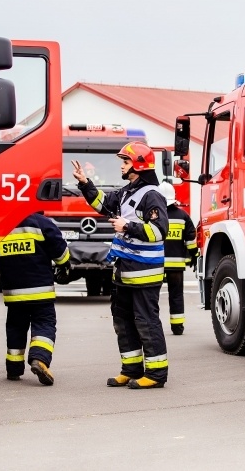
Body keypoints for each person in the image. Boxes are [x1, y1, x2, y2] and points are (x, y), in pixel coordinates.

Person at [71, 141, 169, 389]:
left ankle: (156, 374)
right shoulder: (127, 192)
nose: (122, 166)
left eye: (125, 162)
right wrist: (85, 183)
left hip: (144, 274)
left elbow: (159, 231)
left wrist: (127, 226)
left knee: (146, 322)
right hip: (124, 272)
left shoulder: (152, 195)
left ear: (137, 165)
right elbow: (102, 203)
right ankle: (131, 369)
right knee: (123, 322)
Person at [0, 211, 71, 385]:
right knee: (44, 323)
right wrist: (64, 265)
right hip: (40, 291)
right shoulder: (42, 223)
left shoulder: (1, 223)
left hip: (13, 293)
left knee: (15, 328)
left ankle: (13, 368)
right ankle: (39, 359)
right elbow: (61, 252)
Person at [157, 181, 198, 336]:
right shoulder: (183, 216)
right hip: (176, 265)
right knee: (176, 295)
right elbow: (191, 241)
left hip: (156, 263)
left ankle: (153, 325)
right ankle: (177, 326)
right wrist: (194, 256)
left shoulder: (153, 215)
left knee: (151, 296)